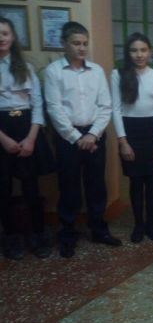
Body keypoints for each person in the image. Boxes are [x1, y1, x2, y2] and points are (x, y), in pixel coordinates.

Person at [44, 21, 122, 258]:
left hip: (94, 135)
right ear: (64, 44)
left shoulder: (96, 71)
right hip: (67, 137)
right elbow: (54, 108)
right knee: (69, 186)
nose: (81, 48)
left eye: (85, 43)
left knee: (96, 184)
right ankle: (68, 234)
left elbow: (105, 106)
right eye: (76, 43)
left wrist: (92, 134)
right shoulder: (54, 72)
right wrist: (77, 137)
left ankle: (98, 229)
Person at [0, 17, 55, 260]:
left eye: (5, 33)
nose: (1, 38)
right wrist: (3, 139)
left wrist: (32, 138)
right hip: (2, 131)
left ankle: (39, 234)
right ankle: (11, 236)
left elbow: (37, 105)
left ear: (12, 37)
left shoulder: (26, 68)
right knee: (3, 190)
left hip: (26, 127)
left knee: (31, 188)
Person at [111, 32, 153, 243]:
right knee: (135, 182)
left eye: (143, 50)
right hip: (130, 132)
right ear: (128, 53)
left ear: (150, 52)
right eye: (134, 50)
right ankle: (138, 224)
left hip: (152, 131)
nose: (139, 55)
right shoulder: (118, 74)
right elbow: (116, 109)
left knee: (152, 182)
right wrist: (123, 141)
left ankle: (151, 224)